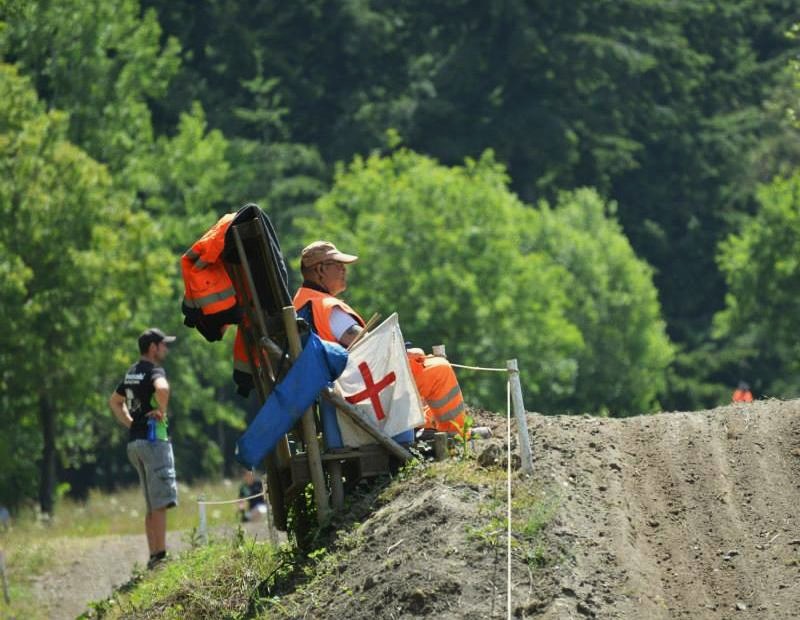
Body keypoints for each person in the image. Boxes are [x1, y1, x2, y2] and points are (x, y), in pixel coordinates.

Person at [292, 240, 467, 437]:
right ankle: (458, 437)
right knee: (438, 370)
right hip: (358, 385)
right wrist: (407, 352)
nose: (344, 270)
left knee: (418, 363)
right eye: (338, 265)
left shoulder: (301, 302)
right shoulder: (326, 307)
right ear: (321, 269)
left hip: (343, 386)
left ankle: (425, 427)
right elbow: (371, 347)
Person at [109, 327, 178, 570]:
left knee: (150, 504)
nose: (166, 349)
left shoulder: (132, 372)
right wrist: (162, 410)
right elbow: (163, 389)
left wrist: (130, 423)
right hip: (153, 439)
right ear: (153, 348)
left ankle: (152, 556)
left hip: (135, 443)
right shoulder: (153, 370)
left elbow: (115, 401)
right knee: (160, 502)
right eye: (163, 345)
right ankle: (160, 557)